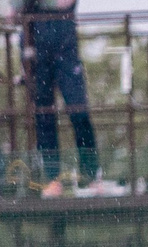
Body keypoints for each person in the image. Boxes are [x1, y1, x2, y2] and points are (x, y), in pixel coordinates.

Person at [18, 0, 117, 197]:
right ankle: (52, 179)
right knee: (44, 115)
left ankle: (90, 176)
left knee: (79, 111)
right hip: (36, 47)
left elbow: (64, 2)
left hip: (65, 50)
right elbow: (13, 9)